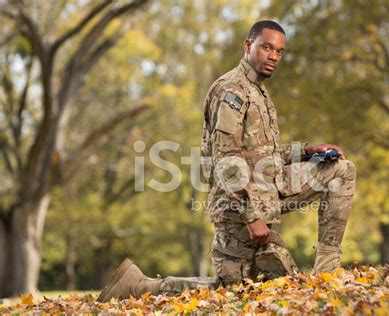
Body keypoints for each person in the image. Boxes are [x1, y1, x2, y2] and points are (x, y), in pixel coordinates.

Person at [97, 20, 356, 302]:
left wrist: (306, 151)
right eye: (266, 47)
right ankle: (137, 286)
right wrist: (251, 216)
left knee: (340, 170)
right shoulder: (232, 91)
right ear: (248, 46)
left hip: (268, 190)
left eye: (279, 51)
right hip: (236, 207)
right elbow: (225, 158)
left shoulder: (258, 90)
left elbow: (262, 154)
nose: (273, 56)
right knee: (237, 291)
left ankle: (327, 267)